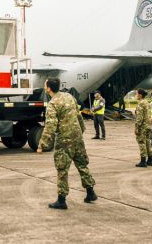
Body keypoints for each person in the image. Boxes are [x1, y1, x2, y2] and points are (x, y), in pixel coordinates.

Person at [37, 78, 97, 209]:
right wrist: (81, 131)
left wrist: (42, 144)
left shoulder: (52, 104)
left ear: (48, 88)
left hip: (65, 140)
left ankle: (61, 200)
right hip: (77, 137)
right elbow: (78, 115)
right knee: (82, 165)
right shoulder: (69, 96)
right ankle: (90, 192)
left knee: (62, 169)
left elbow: (50, 126)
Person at [134, 89, 152, 167]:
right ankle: (150, 160)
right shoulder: (147, 103)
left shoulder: (140, 104)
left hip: (142, 126)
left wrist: (137, 127)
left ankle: (143, 161)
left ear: (140, 95)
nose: (136, 95)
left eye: (136, 94)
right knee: (148, 142)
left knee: (142, 142)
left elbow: (139, 117)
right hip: (148, 125)